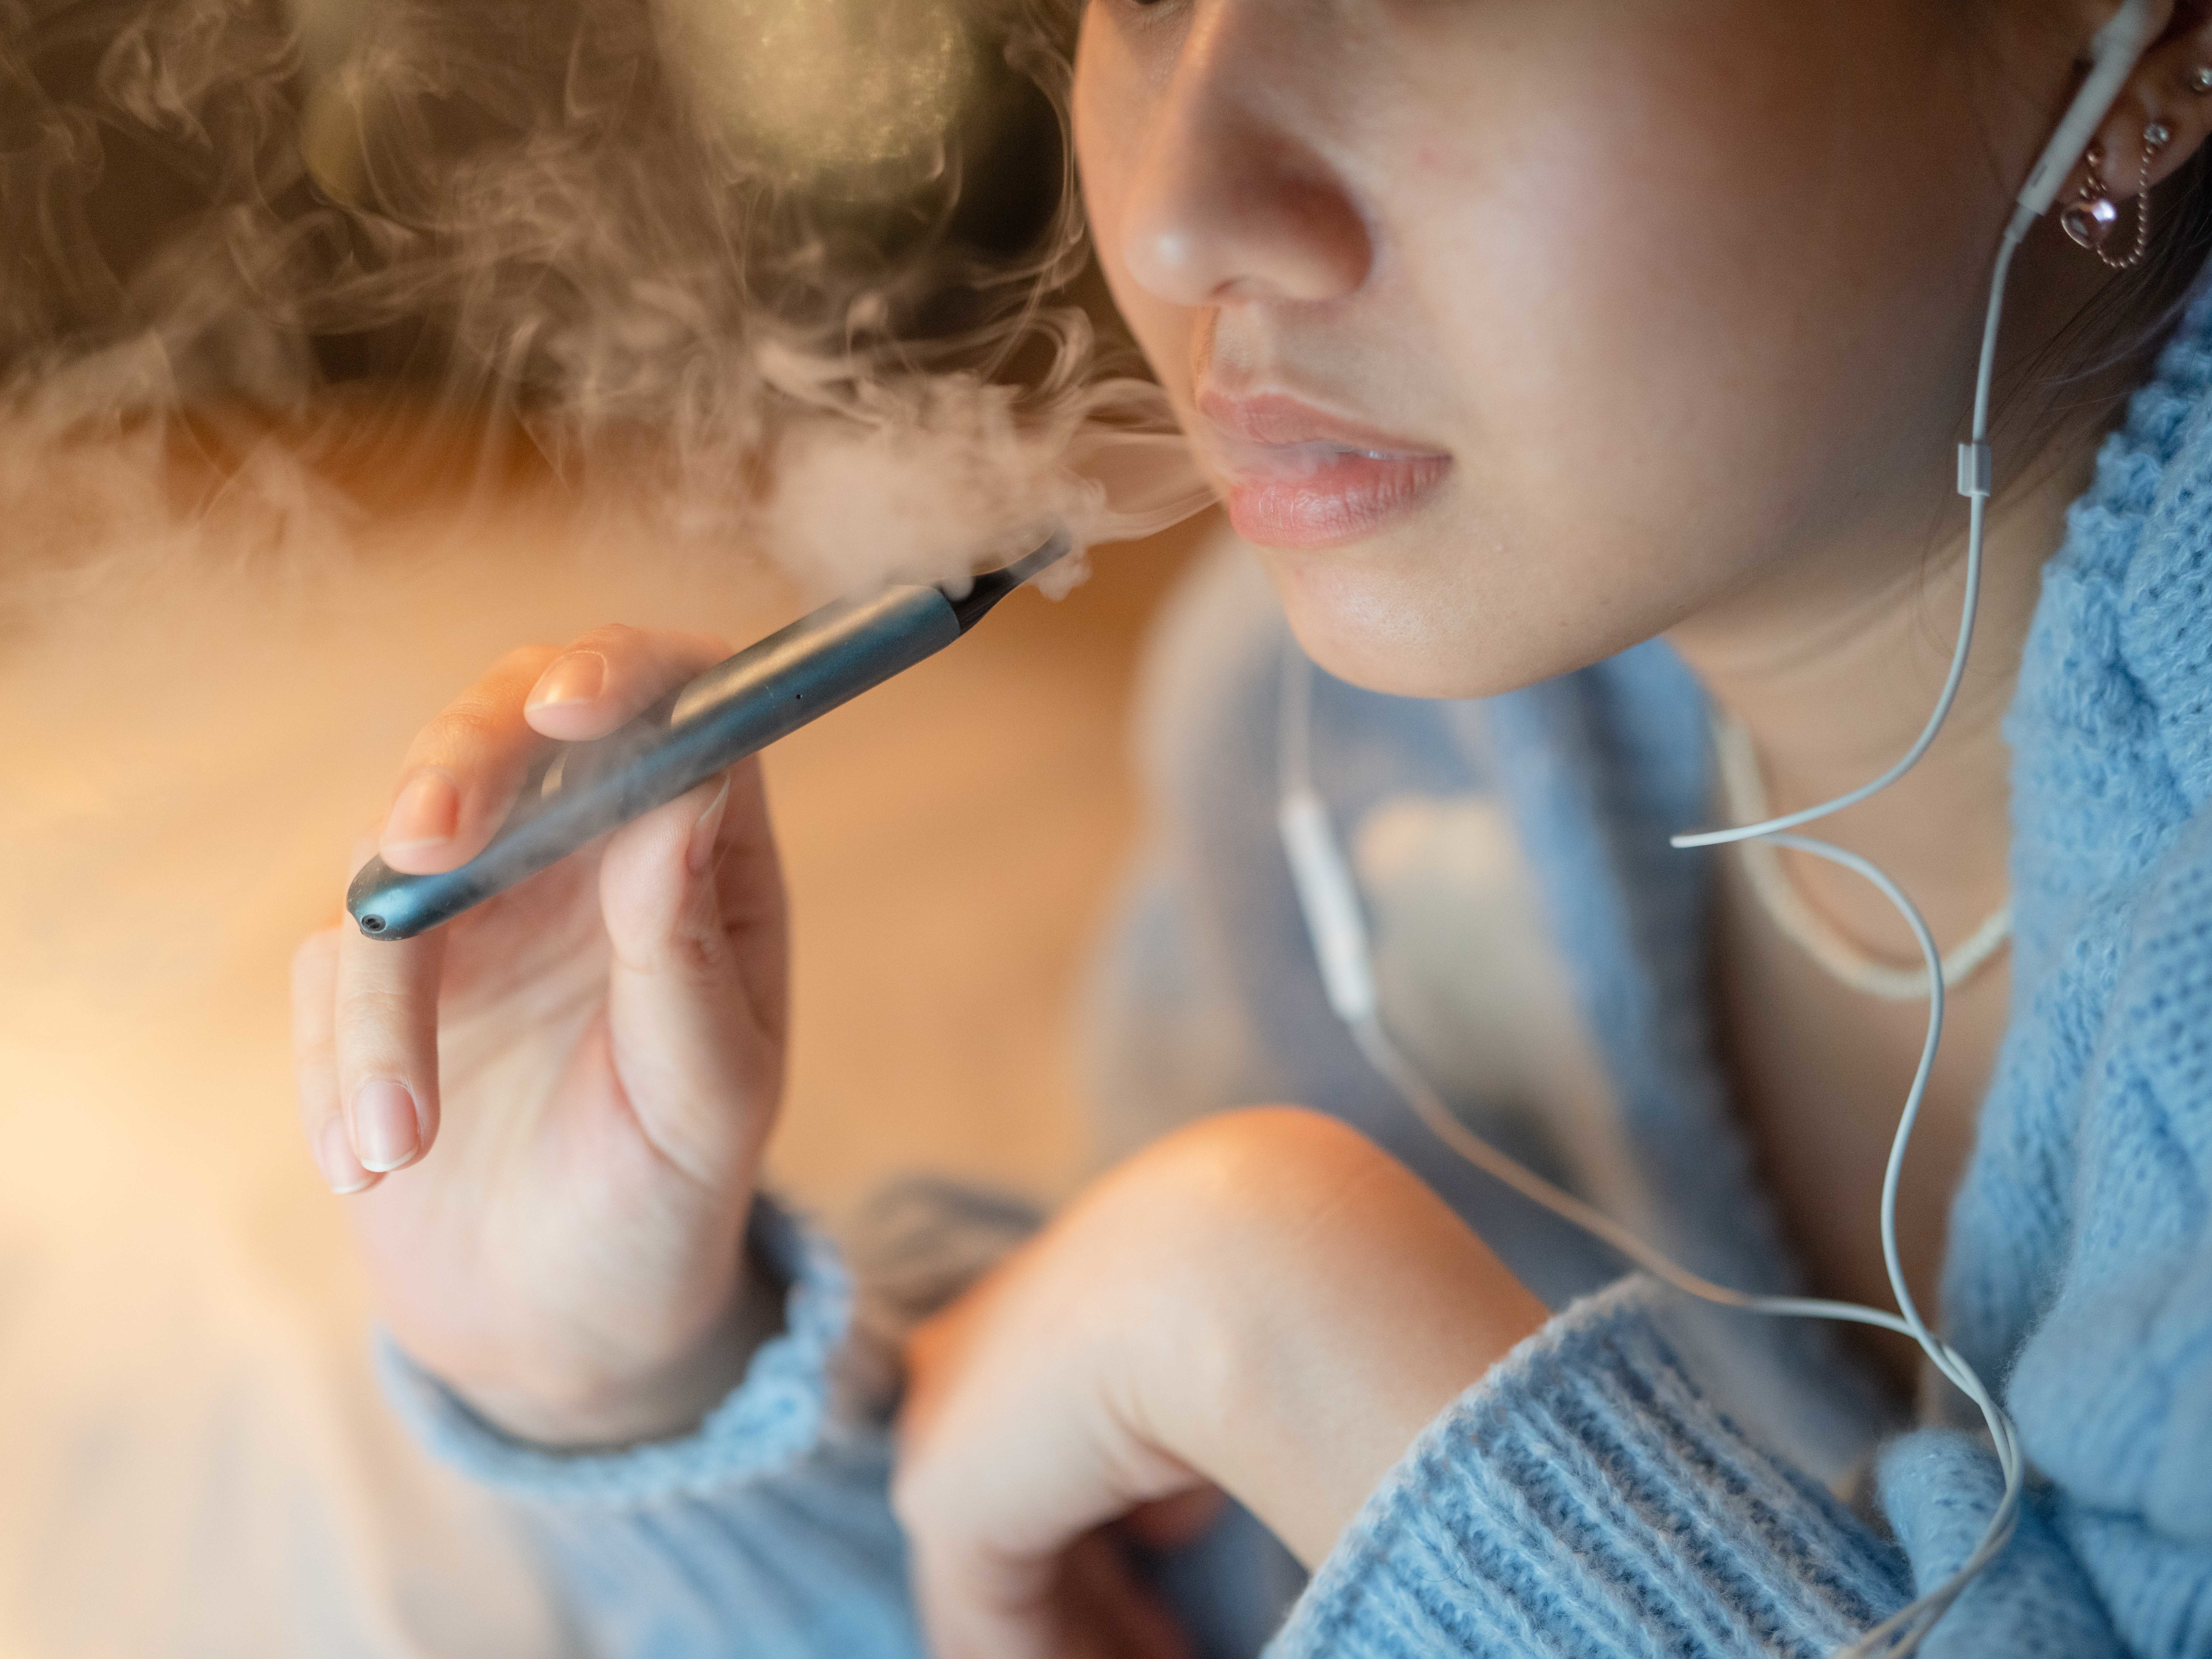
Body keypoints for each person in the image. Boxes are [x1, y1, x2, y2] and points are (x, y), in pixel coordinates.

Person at [291, 2, 2212, 1654]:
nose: (1182, 207)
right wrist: (628, 1382)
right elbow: (1132, 1595)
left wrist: (1282, 1320)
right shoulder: (1347, 755)